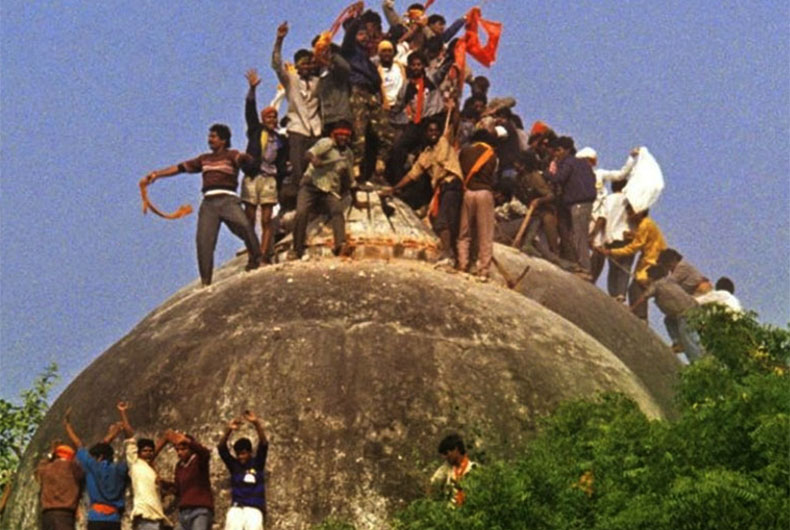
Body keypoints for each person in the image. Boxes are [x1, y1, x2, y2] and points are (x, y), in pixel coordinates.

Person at [142, 124, 263, 287]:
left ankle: (257, 260)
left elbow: (241, 158)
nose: (209, 140)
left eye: (213, 136)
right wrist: (157, 174)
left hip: (228, 199)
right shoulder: (204, 159)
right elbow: (181, 168)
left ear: (223, 140)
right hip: (209, 203)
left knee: (245, 226)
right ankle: (206, 282)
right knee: (204, 241)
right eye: (209, 136)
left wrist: (247, 158)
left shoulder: (231, 155)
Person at [385, 114, 463, 265]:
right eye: (430, 131)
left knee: (443, 222)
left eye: (436, 130)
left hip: (451, 184)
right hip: (441, 188)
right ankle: (448, 254)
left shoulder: (444, 142)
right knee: (438, 220)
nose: (433, 133)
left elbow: (455, 122)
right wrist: (394, 189)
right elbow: (412, 175)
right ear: (426, 133)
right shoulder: (426, 154)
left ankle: (448, 256)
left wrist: (453, 107)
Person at [272, 21, 322, 208]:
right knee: (298, 167)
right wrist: (279, 40)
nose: (307, 67)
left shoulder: (318, 82)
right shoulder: (291, 80)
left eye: (309, 63)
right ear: (297, 66)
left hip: (315, 129)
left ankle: (316, 200)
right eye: (303, 64)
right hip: (297, 128)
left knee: (315, 168)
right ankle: (300, 202)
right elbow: (276, 65)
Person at [292, 120, 355, 259]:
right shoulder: (326, 143)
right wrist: (314, 159)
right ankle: (296, 249)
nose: (343, 138)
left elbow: (350, 178)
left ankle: (340, 245)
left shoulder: (348, 154)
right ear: (334, 135)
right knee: (301, 212)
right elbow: (309, 153)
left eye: (346, 135)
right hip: (311, 184)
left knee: (337, 211)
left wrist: (353, 190)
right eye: (341, 135)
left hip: (329, 189)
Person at [342, 9, 393, 180]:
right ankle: (356, 166)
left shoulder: (367, 57)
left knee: (386, 131)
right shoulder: (349, 51)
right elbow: (349, 35)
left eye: (365, 33)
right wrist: (357, 18)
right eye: (360, 34)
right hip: (357, 91)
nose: (364, 37)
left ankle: (381, 161)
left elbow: (377, 80)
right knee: (359, 131)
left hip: (371, 93)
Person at [243, 69, 288, 263]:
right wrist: (252, 90)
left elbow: (282, 162)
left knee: (267, 219)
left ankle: (263, 255)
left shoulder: (280, 140)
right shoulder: (256, 131)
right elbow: (250, 112)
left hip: (269, 178)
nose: (272, 121)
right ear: (263, 120)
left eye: (274, 118)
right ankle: (252, 254)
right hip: (253, 177)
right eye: (268, 118)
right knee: (249, 219)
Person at [596, 205, 667, 320]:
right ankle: (640, 316)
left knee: (636, 288)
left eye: (630, 212)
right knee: (638, 288)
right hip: (651, 260)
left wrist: (611, 251)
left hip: (654, 262)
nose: (628, 216)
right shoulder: (646, 224)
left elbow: (633, 248)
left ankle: (641, 318)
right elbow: (643, 238)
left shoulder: (645, 224)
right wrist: (632, 235)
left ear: (639, 212)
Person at [63, 409, 128, 530]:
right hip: (114, 519)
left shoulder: (92, 466)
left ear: (100, 457)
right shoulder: (121, 469)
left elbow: (78, 444)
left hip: (96, 517)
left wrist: (67, 425)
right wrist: (114, 434)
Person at [546, 136, 597, 277]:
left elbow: (560, 178)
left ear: (566, 150)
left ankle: (585, 268)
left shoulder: (568, 162)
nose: (556, 153)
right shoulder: (583, 163)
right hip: (584, 203)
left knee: (579, 235)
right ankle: (580, 264)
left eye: (558, 150)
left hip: (579, 203)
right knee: (577, 234)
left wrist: (546, 174)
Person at [116, 401, 171, 530]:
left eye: (151, 451)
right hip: (145, 518)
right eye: (145, 451)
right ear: (139, 452)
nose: (148, 453)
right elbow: (129, 435)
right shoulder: (135, 463)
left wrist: (164, 484)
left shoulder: (152, 470)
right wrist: (123, 412)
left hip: (157, 518)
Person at [631, 265, 705, 362]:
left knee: (689, 339)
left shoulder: (656, 285)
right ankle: (678, 342)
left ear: (652, 277)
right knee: (669, 321)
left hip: (684, 314)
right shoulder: (670, 281)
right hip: (694, 308)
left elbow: (644, 297)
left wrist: (632, 308)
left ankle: (698, 361)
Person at [457, 129, 499, 277]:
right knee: (485, 235)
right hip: (484, 193)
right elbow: (493, 178)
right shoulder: (492, 155)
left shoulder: (464, 152)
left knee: (464, 232)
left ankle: (462, 264)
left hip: (468, 193)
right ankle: (483, 270)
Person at [218, 410, 269, 530]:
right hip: (237, 508)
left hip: (254, 508)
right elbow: (221, 448)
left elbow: (264, 444)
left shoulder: (257, 464)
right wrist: (228, 430)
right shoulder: (234, 466)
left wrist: (256, 423)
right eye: (238, 454)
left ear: (250, 453)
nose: (241, 457)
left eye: (243, 453)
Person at [588, 179, 635, 300]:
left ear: (613, 187)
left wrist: (593, 234)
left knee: (613, 267)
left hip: (611, 238)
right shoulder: (631, 200)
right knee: (625, 266)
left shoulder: (608, 200)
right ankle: (621, 293)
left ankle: (613, 294)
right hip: (628, 237)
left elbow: (602, 218)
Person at [161, 430, 214, 530]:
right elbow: (178, 490)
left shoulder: (198, 461)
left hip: (200, 510)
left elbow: (205, 453)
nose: (179, 453)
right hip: (184, 512)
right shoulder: (179, 466)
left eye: (183, 449)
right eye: (177, 450)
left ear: (191, 449)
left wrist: (187, 440)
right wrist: (165, 484)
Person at [35, 441, 84, 530]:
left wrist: (50, 454)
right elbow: (82, 472)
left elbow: (38, 470)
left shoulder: (47, 469)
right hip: (65, 515)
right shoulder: (73, 468)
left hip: (47, 515)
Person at [429, 434, 477, 507]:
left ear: (456, 449)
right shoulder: (446, 469)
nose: (445, 457)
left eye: (446, 453)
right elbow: (433, 484)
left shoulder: (474, 468)